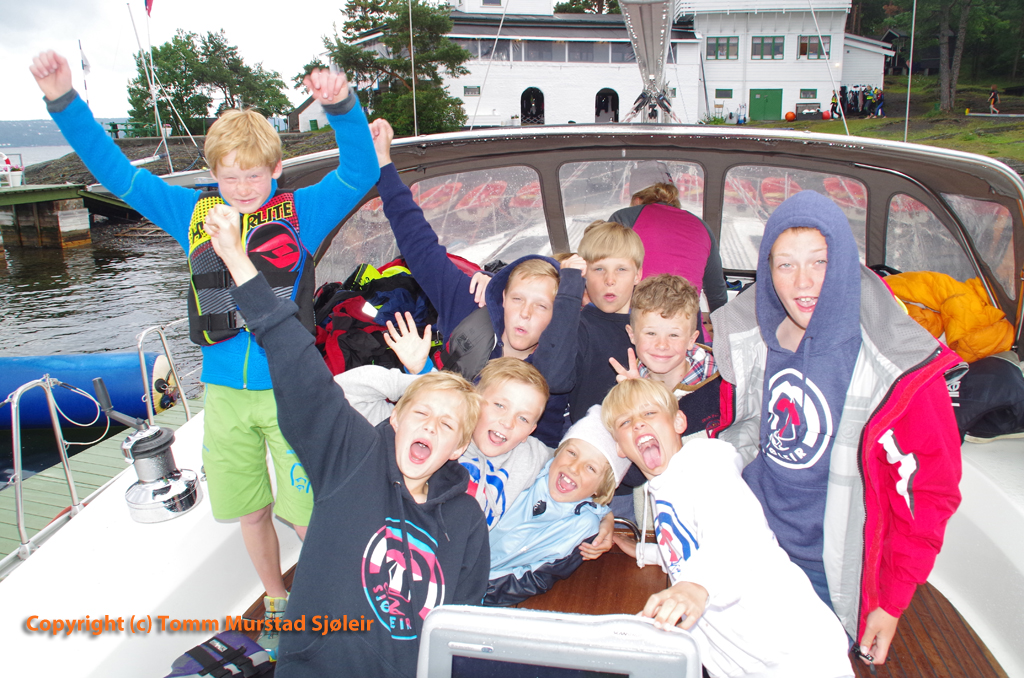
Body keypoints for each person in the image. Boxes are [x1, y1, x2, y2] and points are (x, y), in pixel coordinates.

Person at [29, 50, 379, 650]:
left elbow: (359, 170)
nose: (242, 190)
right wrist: (64, 101)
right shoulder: (192, 213)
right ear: (212, 174)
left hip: (291, 393)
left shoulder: (302, 213)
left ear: (276, 170)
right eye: (230, 177)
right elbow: (118, 175)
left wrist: (342, 106)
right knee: (251, 510)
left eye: (255, 176)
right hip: (223, 397)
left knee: (307, 513)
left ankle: (339, 599)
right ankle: (276, 597)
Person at [203, 203, 489, 678]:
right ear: (396, 417)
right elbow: (296, 361)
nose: (430, 427)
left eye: (447, 426)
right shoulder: (350, 457)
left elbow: (463, 627)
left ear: (459, 448)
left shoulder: (467, 519)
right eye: (421, 413)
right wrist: (235, 257)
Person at [710, 190, 962, 667]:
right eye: (785, 265)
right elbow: (742, 431)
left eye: (819, 261)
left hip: (829, 575)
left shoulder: (898, 367)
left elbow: (931, 492)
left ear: (845, 262)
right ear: (767, 270)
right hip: (749, 546)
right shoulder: (753, 337)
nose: (803, 282)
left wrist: (891, 602)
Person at [603, 378, 853, 678]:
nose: (639, 424)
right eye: (626, 421)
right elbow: (688, 545)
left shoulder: (706, 464)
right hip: (740, 660)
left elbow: (733, 531)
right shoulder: (662, 485)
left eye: (649, 413)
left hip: (794, 654)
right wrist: (647, 552)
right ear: (619, 448)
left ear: (679, 421)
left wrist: (695, 586)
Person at [370, 118, 585, 447]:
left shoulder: (557, 364)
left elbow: (544, 448)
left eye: (541, 306)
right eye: (517, 299)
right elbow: (419, 246)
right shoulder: (469, 304)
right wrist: (384, 164)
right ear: (503, 297)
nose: (525, 313)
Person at [484, 405, 630, 606]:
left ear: (601, 489)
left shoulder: (583, 527)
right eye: (572, 453)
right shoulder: (527, 465)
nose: (574, 467)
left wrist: (478, 589)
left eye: (590, 468)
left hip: (483, 591)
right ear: (558, 452)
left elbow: (536, 579)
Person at [608, 160, 728, 314]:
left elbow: (604, 272)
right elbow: (716, 291)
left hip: (637, 322)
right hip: (687, 324)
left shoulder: (623, 218)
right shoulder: (702, 226)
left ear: (637, 200)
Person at [610, 274, 721, 437]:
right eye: (651, 333)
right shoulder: (626, 382)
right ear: (632, 335)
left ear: (691, 340)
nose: (662, 345)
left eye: (674, 335)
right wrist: (633, 397)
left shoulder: (722, 385)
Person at [566, 220, 645, 423]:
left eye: (621, 269)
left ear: (638, 275)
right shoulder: (577, 328)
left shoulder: (652, 328)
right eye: (599, 269)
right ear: (584, 274)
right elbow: (554, 379)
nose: (610, 280)